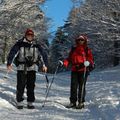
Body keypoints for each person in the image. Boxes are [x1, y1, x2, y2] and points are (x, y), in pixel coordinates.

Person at [7, 29, 48, 109]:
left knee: (31, 86)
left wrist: (45, 65)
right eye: (28, 35)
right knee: (20, 85)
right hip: (21, 67)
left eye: (31, 35)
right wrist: (9, 63)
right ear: (25, 35)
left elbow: (43, 54)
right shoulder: (19, 44)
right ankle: (19, 101)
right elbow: (13, 53)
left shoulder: (37, 45)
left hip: (32, 68)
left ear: (33, 36)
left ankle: (30, 102)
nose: (30, 36)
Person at [60, 35, 94, 109]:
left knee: (82, 86)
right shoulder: (74, 49)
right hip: (74, 69)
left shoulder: (87, 50)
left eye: (82, 40)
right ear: (77, 41)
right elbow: (69, 59)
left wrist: (88, 62)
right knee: (73, 86)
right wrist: (64, 62)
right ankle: (73, 102)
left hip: (83, 69)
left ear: (84, 41)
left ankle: (81, 102)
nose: (80, 41)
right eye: (79, 40)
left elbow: (91, 58)